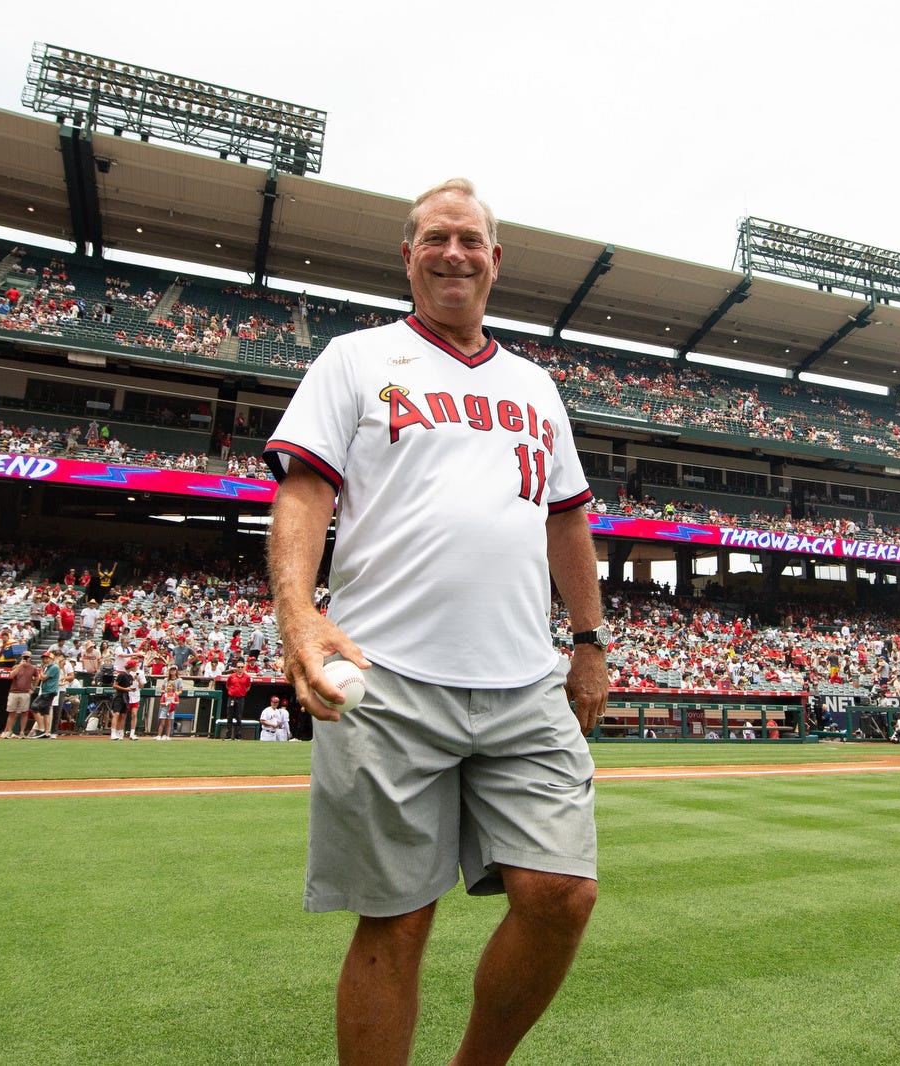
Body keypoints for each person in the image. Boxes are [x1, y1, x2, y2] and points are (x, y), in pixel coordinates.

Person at [265, 178, 605, 1065]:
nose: (453, 252)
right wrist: (299, 617)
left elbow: (567, 518)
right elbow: (304, 490)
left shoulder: (535, 385)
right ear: (408, 255)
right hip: (387, 675)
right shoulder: (356, 358)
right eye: (435, 237)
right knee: (398, 918)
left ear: (496, 260)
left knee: (561, 894)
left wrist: (590, 642)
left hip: (525, 677)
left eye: (470, 239)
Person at [1, 651, 38, 738]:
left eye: (27, 657)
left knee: (24, 713)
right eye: (24, 657)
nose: (25, 658)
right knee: (11, 712)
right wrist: (20, 666)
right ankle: (9, 731)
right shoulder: (16, 666)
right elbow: (11, 675)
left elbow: (37, 677)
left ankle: (22, 732)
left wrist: (33, 688)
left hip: (25, 692)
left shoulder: (33, 668)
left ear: (30, 658)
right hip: (14, 691)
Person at [223, 658, 253, 739]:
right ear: (236, 668)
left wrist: (241, 692)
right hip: (232, 698)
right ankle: (228, 735)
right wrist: (233, 692)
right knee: (229, 716)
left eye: (241, 667)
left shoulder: (247, 677)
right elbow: (227, 686)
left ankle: (238, 736)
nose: (240, 669)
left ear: (244, 668)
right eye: (238, 667)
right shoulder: (232, 676)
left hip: (240, 698)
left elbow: (248, 687)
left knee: (239, 717)